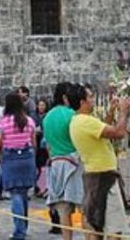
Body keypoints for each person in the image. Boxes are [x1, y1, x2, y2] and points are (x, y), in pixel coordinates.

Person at [69, 85, 130, 240]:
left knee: (97, 224)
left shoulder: (77, 121)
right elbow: (118, 132)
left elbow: (102, 131)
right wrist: (124, 112)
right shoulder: (86, 121)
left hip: (94, 175)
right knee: (114, 227)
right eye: (90, 97)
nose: (93, 100)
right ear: (82, 102)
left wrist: (111, 112)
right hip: (104, 176)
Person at [0, 92, 37, 240]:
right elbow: (34, 143)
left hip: (10, 159)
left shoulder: (3, 122)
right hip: (27, 157)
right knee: (23, 192)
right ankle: (24, 224)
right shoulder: (29, 121)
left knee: (15, 193)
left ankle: (19, 230)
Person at [43, 82, 83, 240]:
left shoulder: (47, 117)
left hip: (56, 163)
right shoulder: (72, 115)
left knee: (64, 211)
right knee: (83, 208)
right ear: (66, 97)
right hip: (73, 163)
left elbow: (48, 144)